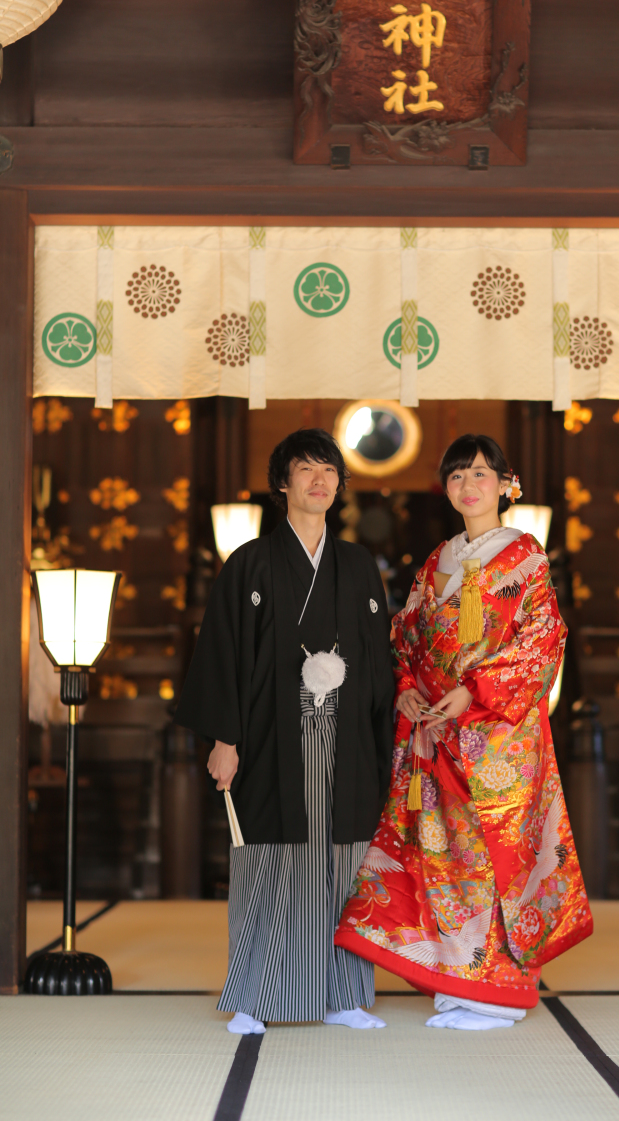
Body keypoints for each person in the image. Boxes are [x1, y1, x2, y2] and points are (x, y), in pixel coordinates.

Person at [335, 434, 592, 1029]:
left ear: (507, 484)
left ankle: (497, 991)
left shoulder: (525, 555)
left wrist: (473, 691)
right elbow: (407, 634)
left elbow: (542, 641)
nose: (468, 486)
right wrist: (405, 684)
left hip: (496, 737)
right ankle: (457, 979)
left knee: (491, 859)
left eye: (480, 475)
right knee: (443, 859)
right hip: (436, 730)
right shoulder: (438, 559)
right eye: (456, 477)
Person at [175, 428, 395, 1033]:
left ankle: (345, 997)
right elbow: (224, 655)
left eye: (329, 470)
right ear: (283, 483)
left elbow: (378, 662)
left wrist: (388, 742)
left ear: (340, 486)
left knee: (345, 865)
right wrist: (225, 738)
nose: (319, 481)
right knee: (268, 864)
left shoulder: (355, 565)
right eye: (306, 469)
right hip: (272, 740)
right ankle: (254, 1000)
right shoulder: (250, 563)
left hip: (344, 741)